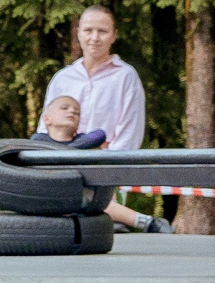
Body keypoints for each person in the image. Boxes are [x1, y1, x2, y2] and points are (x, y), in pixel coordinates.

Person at [34, 92, 169, 231]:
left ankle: (146, 223)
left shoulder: (83, 140)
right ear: (47, 119)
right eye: (64, 108)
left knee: (95, 187)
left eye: (77, 112)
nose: (71, 112)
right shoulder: (39, 141)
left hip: (83, 195)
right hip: (52, 195)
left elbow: (99, 134)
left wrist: (67, 150)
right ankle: (143, 221)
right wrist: (72, 150)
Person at [43, 6, 146, 151]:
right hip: (62, 166)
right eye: (88, 30)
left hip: (106, 167)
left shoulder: (125, 77)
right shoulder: (62, 79)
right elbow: (46, 128)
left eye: (102, 31)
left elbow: (129, 135)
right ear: (78, 33)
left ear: (114, 36)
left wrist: (105, 158)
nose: (94, 38)